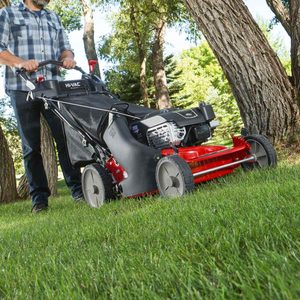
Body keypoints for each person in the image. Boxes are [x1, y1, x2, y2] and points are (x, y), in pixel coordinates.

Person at [0, 0, 83, 212]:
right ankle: (39, 201)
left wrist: (68, 58)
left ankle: (79, 191)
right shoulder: (9, 14)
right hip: (21, 87)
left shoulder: (53, 17)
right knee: (31, 146)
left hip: (52, 87)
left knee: (66, 139)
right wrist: (20, 62)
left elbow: (65, 49)